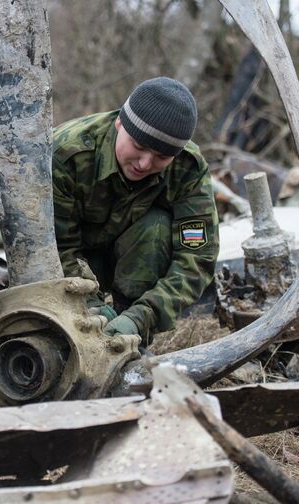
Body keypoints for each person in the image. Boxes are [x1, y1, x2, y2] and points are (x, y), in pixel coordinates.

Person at [52, 77, 219, 344]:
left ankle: (126, 334)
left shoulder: (188, 168)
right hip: (76, 263)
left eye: (161, 158)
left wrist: (142, 317)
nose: (144, 163)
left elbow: (196, 258)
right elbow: (56, 248)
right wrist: (91, 308)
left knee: (157, 227)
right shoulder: (66, 153)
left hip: (133, 261)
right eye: (138, 147)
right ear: (119, 122)